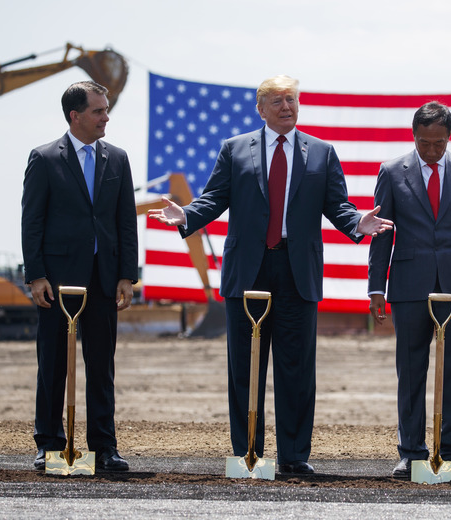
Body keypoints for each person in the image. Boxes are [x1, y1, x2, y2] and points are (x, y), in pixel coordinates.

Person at [148, 75, 393, 475]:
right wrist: (187, 215)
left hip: (297, 271)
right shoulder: (233, 149)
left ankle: (294, 457)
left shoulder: (322, 152)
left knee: (297, 368)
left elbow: (338, 205)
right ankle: (249, 456)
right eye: (277, 101)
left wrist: (357, 224)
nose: (286, 106)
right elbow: (214, 197)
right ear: (260, 109)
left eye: (292, 99)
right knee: (245, 366)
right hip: (248, 269)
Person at [367, 101, 451, 478]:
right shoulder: (391, 173)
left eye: (438, 143)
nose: (431, 150)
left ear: (449, 137)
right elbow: (381, 234)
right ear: (414, 136)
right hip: (408, 286)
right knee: (410, 371)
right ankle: (412, 452)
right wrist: (377, 286)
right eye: (424, 143)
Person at [21, 81, 138, 471]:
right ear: (75, 116)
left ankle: (104, 448)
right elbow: (32, 221)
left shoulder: (118, 159)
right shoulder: (44, 158)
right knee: (52, 363)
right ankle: (50, 445)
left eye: (105, 110)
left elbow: (125, 222)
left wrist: (127, 275)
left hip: (104, 279)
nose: (107, 117)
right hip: (56, 282)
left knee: (102, 365)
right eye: (99, 111)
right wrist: (35, 274)